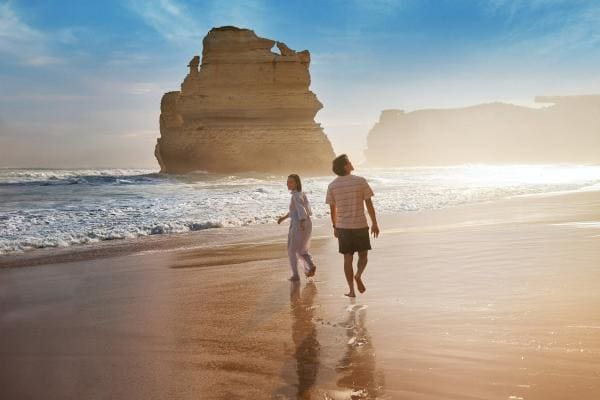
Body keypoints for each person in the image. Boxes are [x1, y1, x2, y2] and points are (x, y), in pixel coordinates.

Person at [326, 154, 379, 297]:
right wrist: (374, 223)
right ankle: (358, 275)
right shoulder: (360, 181)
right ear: (345, 166)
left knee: (347, 258)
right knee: (363, 255)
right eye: (349, 162)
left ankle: (351, 290)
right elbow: (369, 204)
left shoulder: (332, 185)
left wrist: (335, 227)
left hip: (343, 227)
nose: (351, 163)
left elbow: (333, 210)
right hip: (360, 225)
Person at [278, 174, 317, 281]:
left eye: (291, 182)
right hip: (306, 223)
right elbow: (296, 210)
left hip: (299, 224)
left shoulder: (295, 196)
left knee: (292, 250)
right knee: (301, 249)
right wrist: (284, 218)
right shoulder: (300, 194)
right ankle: (310, 265)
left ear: (296, 183)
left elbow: (301, 210)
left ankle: (295, 275)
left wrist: (302, 221)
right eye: (287, 182)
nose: (288, 184)